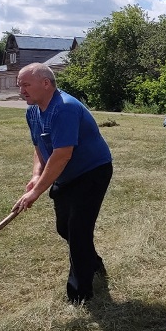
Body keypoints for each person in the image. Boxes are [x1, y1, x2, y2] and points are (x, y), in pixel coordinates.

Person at [12, 63, 114, 304]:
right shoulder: (33, 111)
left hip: (91, 172)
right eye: (20, 85)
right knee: (64, 228)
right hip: (64, 174)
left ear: (45, 83)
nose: (21, 90)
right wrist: (37, 175)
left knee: (78, 230)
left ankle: (80, 294)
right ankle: (93, 262)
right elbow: (40, 147)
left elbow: (62, 155)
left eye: (26, 84)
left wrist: (36, 193)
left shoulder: (65, 108)